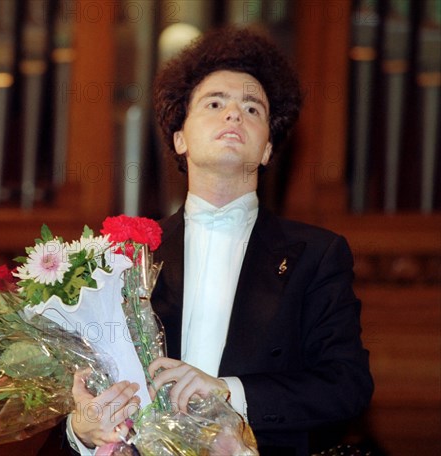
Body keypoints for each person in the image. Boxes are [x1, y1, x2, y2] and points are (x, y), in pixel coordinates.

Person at [66, 26, 373, 456]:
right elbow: (81, 387)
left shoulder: (318, 254)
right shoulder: (124, 255)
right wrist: (81, 431)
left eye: (252, 109)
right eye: (215, 103)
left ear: (267, 148)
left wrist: (229, 392)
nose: (234, 115)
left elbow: (347, 385)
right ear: (180, 138)